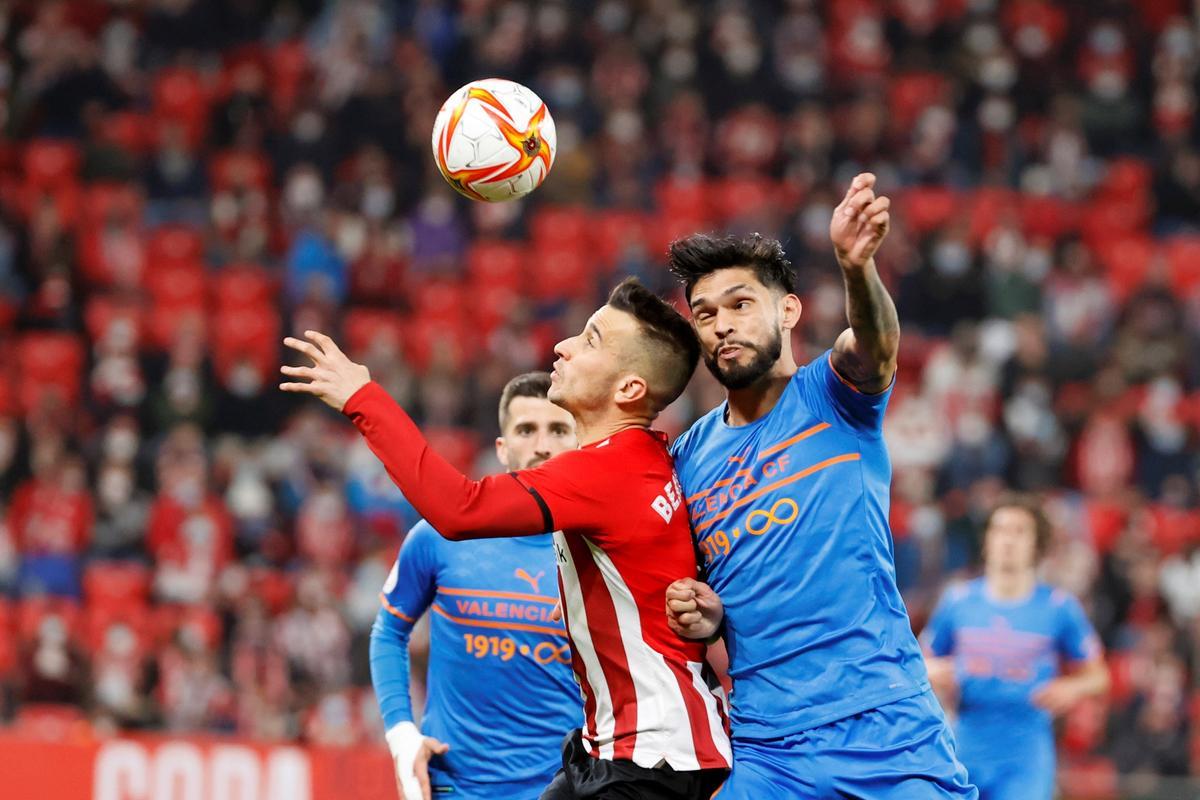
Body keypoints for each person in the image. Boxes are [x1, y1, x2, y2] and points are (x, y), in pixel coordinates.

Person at [281, 278, 731, 800]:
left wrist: (364, 398)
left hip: (651, 761)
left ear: (629, 389)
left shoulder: (607, 472)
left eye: (589, 341)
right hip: (611, 749)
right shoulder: (645, 461)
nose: (562, 346)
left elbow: (458, 508)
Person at [663, 173, 976, 798]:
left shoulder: (832, 396)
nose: (721, 324)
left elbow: (877, 347)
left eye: (740, 304)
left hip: (887, 729)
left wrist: (856, 268)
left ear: (788, 309)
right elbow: (699, 592)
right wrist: (706, 613)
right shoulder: (686, 457)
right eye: (705, 314)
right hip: (767, 750)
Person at [370, 372, 584, 800]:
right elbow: (389, 631)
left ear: (580, 445)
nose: (542, 445)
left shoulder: (604, 555)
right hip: (454, 788)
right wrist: (400, 734)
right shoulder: (439, 536)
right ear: (502, 450)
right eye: (526, 430)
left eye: (559, 429)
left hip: (566, 790)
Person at [922, 495, 1110, 800]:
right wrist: (931, 671)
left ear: (1037, 545)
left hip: (1026, 752)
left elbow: (1099, 677)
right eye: (1000, 530)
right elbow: (918, 665)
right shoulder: (957, 602)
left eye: (1019, 531)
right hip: (965, 742)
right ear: (986, 540)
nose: (1008, 540)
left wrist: (1071, 688)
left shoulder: (1059, 608)